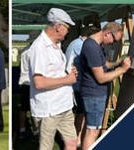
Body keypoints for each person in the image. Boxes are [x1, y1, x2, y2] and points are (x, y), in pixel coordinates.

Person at [28, 8, 79, 150]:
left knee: (72, 142)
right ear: (58, 26)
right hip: (49, 108)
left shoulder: (56, 44)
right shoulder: (40, 47)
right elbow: (39, 82)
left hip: (64, 105)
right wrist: (67, 79)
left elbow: (54, 72)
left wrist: (68, 72)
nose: (68, 31)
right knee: (46, 146)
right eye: (67, 27)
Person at [77, 22, 129, 150]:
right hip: (94, 95)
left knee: (90, 128)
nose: (113, 44)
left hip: (93, 94)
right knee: (93, 131)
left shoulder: (96, 45)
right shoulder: (92, 47)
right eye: (114, 41)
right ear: (107, 34)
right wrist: (122, 70)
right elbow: (101, 78)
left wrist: (117, 63)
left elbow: (103, 65)